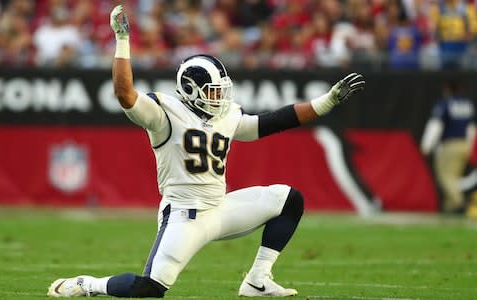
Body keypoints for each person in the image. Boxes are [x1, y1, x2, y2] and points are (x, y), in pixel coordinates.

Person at [47, 5, 365, 298]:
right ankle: (86, 284)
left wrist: (327, 103)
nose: (219, 97)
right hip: (184, 216)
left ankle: (257, 280)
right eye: (213, 91)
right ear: (190, 90)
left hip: (219, 209)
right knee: (149, 289)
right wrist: (123, 40)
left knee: (289, 200)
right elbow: (124, 93)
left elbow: (272, 122)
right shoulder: (163, 113)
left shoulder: (225, 115)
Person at [421, 81, 476, 213]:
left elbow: (436, 125)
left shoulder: (445, 104)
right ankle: (450, 208)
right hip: (465, 144)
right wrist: (470, 146)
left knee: (446, 177)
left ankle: (460, 203)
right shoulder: (467, 104)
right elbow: (472, 128)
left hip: (450, 145)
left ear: (447, 90)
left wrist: (427, 145)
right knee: (455, 177)